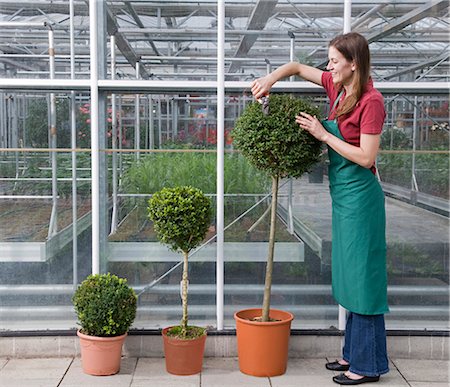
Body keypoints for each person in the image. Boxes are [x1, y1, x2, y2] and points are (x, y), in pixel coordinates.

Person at [251, 32, 389, 386]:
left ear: (353, 63)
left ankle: (368, 366)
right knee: (347, 274)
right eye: (328, 61)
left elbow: (366, 157)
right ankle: (352, 353)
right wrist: (270, 79)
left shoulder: (372, 101)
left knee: (363, 279)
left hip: (362, 197)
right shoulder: (338, 88)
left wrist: (323, 134)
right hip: (343, 196)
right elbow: (296, 67)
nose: (328, 67)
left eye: (333, 61)